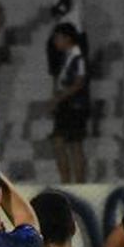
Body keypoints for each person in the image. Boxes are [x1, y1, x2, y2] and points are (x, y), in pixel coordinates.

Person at [49, 21, 89, 184]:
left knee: (74, 145)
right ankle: (66, 180)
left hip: (74, 106)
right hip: (65, 106)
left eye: (58, 38)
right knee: (62, 143)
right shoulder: (66, 57)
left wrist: (59, 98)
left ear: (68, 39)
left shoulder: (78, 57)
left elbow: (79, 82)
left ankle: (77, 182)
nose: (56, 42)